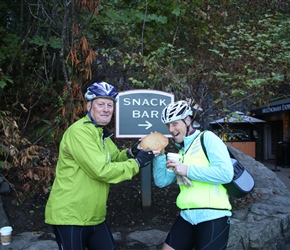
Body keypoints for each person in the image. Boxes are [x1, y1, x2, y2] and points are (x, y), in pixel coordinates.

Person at [45, 81, 155, 250]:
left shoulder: (100, 132)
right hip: (70, 215)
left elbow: (115, 158)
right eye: (101, 104)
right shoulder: (79, 132)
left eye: (110, 105)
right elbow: (102, 170)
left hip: (95, 216)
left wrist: (132, 152)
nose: (106, 109)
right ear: (89, 105)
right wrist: (138, 162)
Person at [152, 100, 234, 250]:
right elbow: (161, 181)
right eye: (168, 125)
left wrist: (187, 170)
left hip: (213, 216)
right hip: (186, 216)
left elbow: (226, 174)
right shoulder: (182, 152)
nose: (171, 129)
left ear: (188, 120)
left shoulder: (207, 138)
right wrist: (160, 155)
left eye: (175, 123)